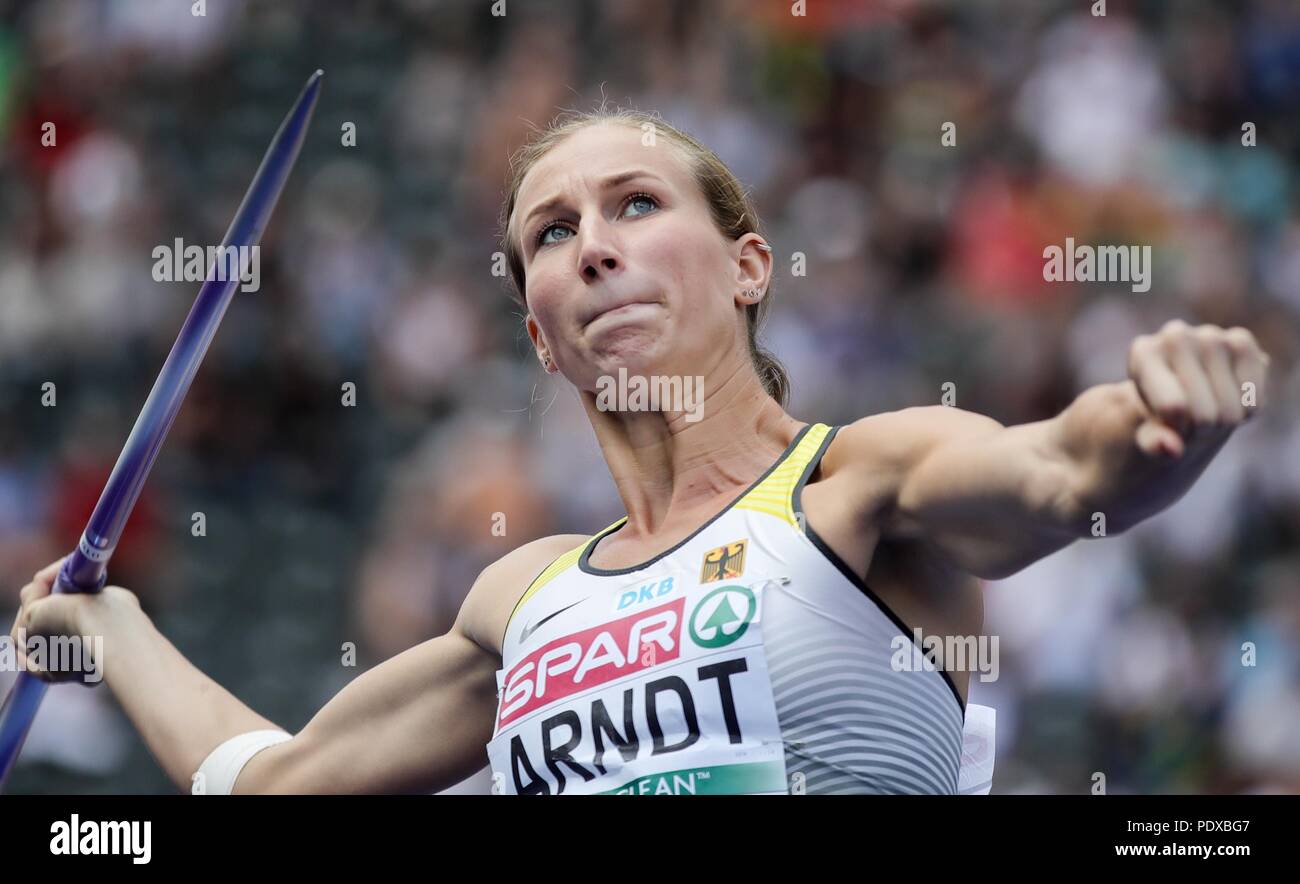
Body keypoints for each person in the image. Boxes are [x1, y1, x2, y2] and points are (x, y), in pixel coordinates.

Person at [9, 108, 1271, 795]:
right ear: (541, 337)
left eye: (635, 204)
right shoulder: (522, 598)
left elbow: (1065, 473)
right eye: (551, 233)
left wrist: (1167, 420)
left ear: (747, 264)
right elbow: (282, 788)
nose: (593, 245)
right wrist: (116, 630)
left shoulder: (857, 482)